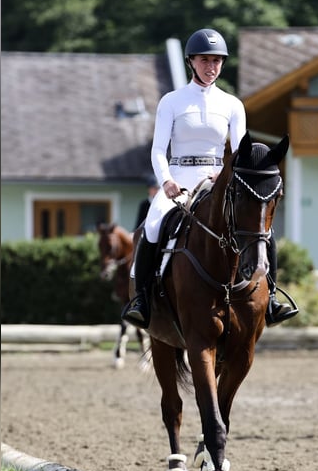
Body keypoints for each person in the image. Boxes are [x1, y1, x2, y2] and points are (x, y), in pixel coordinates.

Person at [122, 27, 297, 330]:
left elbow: (241, 151)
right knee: (152, 225)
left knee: (260, 231)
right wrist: (166, 181)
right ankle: (141, 301)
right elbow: (158, 150)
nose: (211, 67)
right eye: (205, 60)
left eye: (216, 61)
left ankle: (272, 300)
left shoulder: (232, 104)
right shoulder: (172, 101)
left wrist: (226, 174)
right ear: (191, 62)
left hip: (217, 178)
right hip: (178, 175)